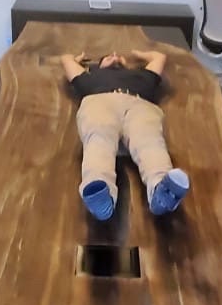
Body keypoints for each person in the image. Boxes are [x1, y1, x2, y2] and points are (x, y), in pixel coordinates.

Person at [60, 48, 191, 221]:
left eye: (118, 57)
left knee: (150, 142)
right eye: (108, 56)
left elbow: (160, 57)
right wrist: (79, 59)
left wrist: (139, 55)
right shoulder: (89, 77)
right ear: (97, 66)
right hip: (101, 102)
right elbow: (66, 59)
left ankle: (161, 192)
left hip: (140, 106)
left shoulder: (144, 76)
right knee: (99, 139)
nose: (114, 56)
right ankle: (99, 193)